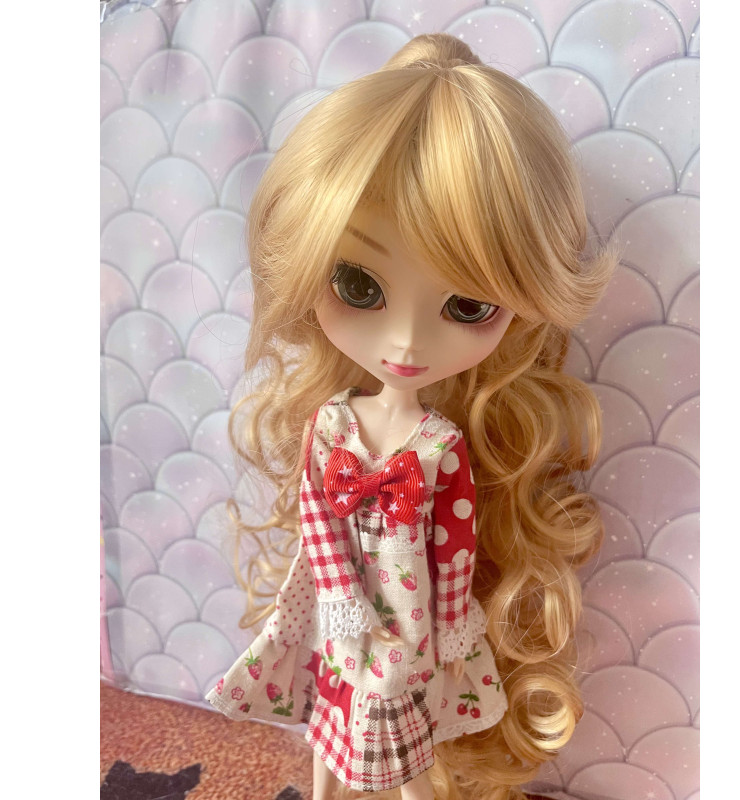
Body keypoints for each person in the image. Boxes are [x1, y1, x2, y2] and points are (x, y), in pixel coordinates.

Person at [207, 32, 614, 800]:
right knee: (330, 714)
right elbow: (316, 511)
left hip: (408, 617)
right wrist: (337, 592)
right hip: (336, 598)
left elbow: (454, 543)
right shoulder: (333, 423)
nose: (403, 344)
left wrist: (448, 624)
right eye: (359, 286)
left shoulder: (438, 443)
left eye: (469, 305)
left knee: (403, 730)